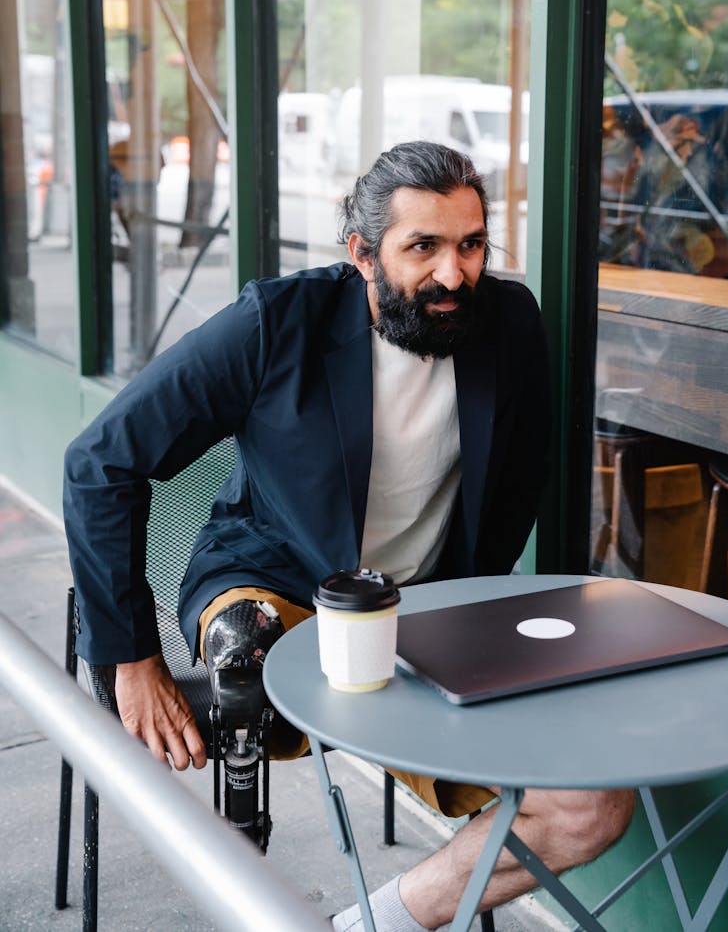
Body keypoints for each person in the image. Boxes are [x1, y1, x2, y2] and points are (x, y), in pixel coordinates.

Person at [63, 140, 633, 931]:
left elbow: (516, 484)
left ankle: (368, 924)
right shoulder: (275, 323)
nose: (454, 273)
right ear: (361, 252)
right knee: (241, 647)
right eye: (422, 247)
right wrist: (130, 657)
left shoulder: (510, 324)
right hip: (274, 585)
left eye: (472, 245)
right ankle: (248, 889)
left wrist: (463, 624)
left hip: (420, 622)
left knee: (592, 806)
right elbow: (100, 461)